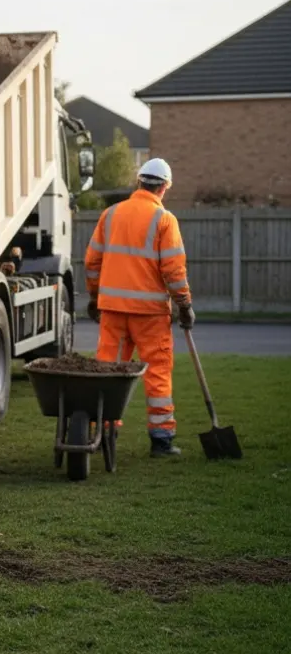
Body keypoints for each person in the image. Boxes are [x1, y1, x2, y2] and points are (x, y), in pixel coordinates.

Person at [84, 158, 194, 457]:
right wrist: (184, 304)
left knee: (109, 372)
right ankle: (161, 440)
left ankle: (105, 434)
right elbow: (173, 271)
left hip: (113, 311)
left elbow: (92, 263)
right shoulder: (164, 220)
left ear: (139, 183)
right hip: (151, 315)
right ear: (165, 187)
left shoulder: (110, 215)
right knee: (157, 373)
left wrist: (94, 299)